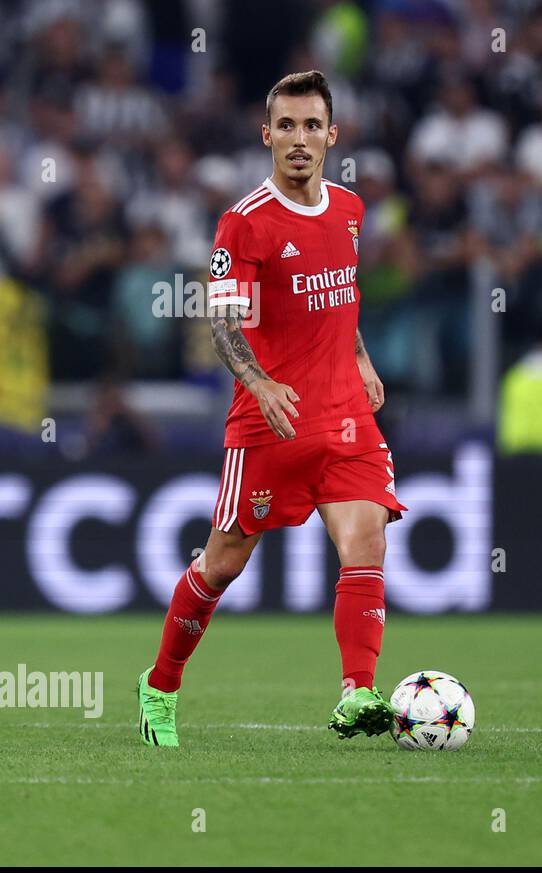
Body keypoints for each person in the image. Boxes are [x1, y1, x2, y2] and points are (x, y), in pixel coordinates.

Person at [137, 70, 407, 747]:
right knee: (221, 564)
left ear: (332, 136)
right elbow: (223, 323)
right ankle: (160, 686)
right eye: (285, 126)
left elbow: (341, 294)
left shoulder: (349, 209)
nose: (299, 138)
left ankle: (358, 692)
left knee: (365, 541)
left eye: (312, 125)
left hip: (344, 414)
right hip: (270, 424)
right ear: (266, 136)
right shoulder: (245, 222)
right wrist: (258, 385)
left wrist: (361, 358)